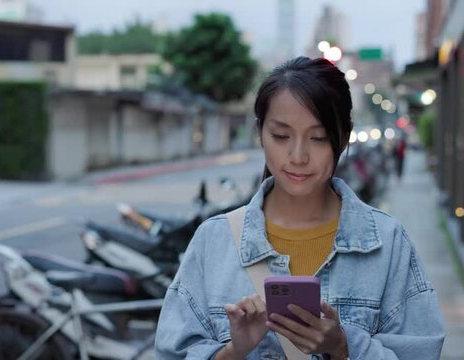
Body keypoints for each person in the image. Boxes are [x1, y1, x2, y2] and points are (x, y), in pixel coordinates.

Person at [155, 57, 445, 359]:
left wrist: (344, 347)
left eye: (318, 138)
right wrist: (235, 350)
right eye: (281, 136)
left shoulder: (388, 244)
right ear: (260, 133)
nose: (298, 156)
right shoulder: (213, 242)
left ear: (343, 137)